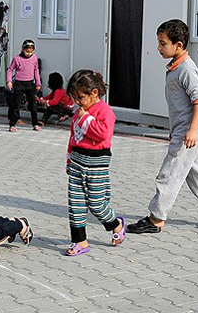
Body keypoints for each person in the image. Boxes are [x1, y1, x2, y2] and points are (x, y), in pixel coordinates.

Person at [127, 19, 198, 234]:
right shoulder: (175, 67)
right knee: (196, 174)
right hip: (184, 132)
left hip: (189, 134)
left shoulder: (186, 69)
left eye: (162, 43)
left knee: (169, 175)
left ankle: (156, 218)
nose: (158, 48)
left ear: (178, 44)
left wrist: (191, 130)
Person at [64, 69, 125, 256]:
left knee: (97, 203)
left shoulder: (104, 111)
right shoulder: (79, 113)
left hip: (96, 163)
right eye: (74, 97)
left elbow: (103, 134)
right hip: (77, 161)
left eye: (80, 97)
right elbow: (74, 136)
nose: (76, 102)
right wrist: (69, 159)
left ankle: (116, 224)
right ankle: (80, 241)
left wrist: (86, 118)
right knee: (75, 204)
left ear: (94, 93)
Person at [6, 40, 42, 132]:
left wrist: (38, 83)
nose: (29, 54)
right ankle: (12, 124)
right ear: (22, 49)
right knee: (16, 105)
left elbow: (36, 71)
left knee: (33, 105)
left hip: (30, 84)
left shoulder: (34, 58)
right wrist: (9, 81)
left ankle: (35, 123)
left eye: (31, 52)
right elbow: (10, 70)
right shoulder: (17, 59)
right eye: (27, 52)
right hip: (19, 84)